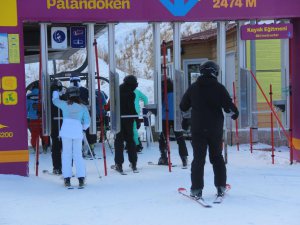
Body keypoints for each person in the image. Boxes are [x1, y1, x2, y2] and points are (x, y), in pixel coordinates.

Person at [179, 60, 239, 199]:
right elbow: (230, 108)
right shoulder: (219, 88)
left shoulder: (193, 87)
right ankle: (220, 186)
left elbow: (183, 106)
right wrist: (234, 113)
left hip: (198, 128)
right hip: (215, 128)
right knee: (217, 157)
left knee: (198, 159)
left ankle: (196, 189)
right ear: (215, 72)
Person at [52, 86, 90, 188]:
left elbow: (55, 101)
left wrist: (55, 90)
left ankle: (67, 179)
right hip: (77, 131)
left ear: (68, 95)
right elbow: (87, 123)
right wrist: (82, 128)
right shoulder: (83, 107)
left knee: (66, 154)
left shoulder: (64, 105)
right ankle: (81, 179)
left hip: (66, 131)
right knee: (78, 155)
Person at [159, 78, 188, 168]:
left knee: (163, 138)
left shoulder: (162, 94)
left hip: (164, 118)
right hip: (176, 117)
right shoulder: (177, 94)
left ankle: (164, 157)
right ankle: (184, 158)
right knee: (180, 138)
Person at [114, 75, 139, 173]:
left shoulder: (117, 91)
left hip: (119, 119)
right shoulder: (131, 94)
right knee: (130, 141)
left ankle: (119, 164)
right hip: (128, 119)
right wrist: (136, 119)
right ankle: (133, 163)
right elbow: (132, 108)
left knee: (119, 142)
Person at [69, 75, 96, 157]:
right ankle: (91, 148)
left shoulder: (68, 91)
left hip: (73, 115)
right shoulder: (85, 90)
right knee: (88, 131)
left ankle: (79, 150)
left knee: (76, 133)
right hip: (85, 113)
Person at [26, 82, 49, 153]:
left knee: (34, 134)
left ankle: (34, 148)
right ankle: (45, 147)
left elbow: (26, 108)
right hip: (43, 118)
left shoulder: (28, 96)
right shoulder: (44, 95)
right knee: (44, 133)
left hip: (33, 119)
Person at [50, 79, 64, 175]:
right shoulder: (65, 96)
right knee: (66, 147)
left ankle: (57, 168)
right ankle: (67, 167)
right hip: (65, 123)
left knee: (55, 146)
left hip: (53, 123)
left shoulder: (48, 97)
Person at [133, 88, 148, 152]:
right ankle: (136, 144)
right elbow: (145, 98)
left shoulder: (122, 90)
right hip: (136, 111)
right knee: (134, 128)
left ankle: (132, 144)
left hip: (125, 111)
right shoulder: (137, 91)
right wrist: (146, 106)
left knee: (126, 128)